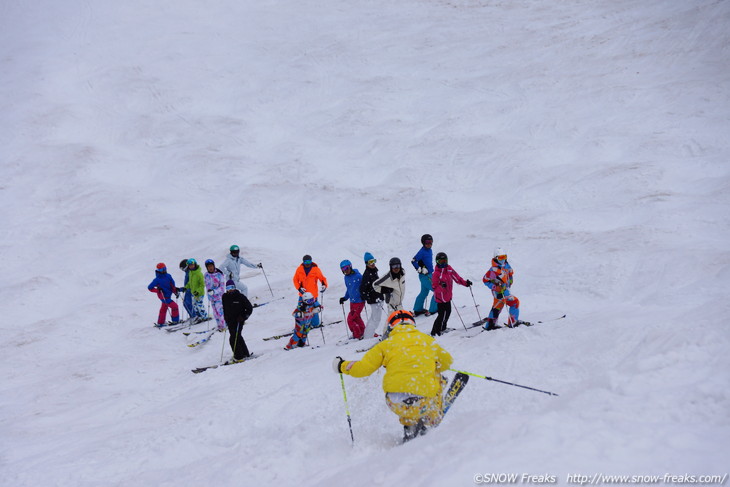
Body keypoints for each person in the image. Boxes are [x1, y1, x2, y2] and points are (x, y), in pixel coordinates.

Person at [333, 310, 453, 442]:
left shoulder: (385, 345)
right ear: (413, 324)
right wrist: (431, 366)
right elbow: (447, 362)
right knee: (437, 377)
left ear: (391, 327)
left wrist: (342, 366)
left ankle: (410, 426)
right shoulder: (427, 340)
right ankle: (432, 416)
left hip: (396, 402)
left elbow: (363, 369)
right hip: (424, 399)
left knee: (408, 407)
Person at [430, 252, 472, 336]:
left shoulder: (449, 269)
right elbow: (434, 287)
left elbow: (457, 278)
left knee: (448, 312)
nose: (443, 263)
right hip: (440, 299)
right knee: (441, 315)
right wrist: (441, 286)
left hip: (448, 297)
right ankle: (435, 331)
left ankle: (443, 328)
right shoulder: (436, 274)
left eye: (445, 261)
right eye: (441, 261)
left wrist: (465, 283)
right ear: (437, 262)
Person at [482, 247, 520, 330]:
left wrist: (510, 279)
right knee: (515, 302)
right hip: (500, 292)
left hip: (505, 290)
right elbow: (485, 280)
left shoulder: (506, 265)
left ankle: (490, 325)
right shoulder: (493, 270)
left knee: (497, 307)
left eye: (504, 257)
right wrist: (495, 287)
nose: (503, 259)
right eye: (501, 257)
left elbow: (510, 273)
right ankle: (513, 322)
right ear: (496, 258)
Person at [292, 254, 328, 328]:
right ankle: (300, 325)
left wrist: (324, 285)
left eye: (309, 261)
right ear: (303, 262)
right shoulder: (299, 269)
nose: (308, 263)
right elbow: (295, 280)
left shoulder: (316, 269)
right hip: (302, 295)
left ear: (311, 261)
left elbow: (322, 279)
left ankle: (315, 324)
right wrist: (299, 288)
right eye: (306, 262)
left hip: (313, 295)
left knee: (314, 310)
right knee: (300, 310)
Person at [221, 280, 254, 362]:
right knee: (237, 336)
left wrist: (243, 317)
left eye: (232, 287)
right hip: (230, 321)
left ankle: (239, 356)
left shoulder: (240, 297)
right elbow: (224, 307)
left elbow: (249, 308)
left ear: (235, 288)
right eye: (228, 288)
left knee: (233, 338)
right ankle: (245, 353)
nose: (230, 290)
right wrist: (225, 316)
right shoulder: (224, 297)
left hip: (239, 320)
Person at [411, 234, 438, 317]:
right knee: (437, 290)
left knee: (424, 292)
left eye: (431, 242)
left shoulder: (429, 250)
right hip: (425, 276)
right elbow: (413, 261)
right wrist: (420, 269)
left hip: (428, 274)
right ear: (423, 242)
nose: (429, 244)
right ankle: (433, 310)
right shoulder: (422, 251)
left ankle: (418, 309)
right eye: (427, 242)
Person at [338, 260, 365, 340]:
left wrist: (364, 295)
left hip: (359, 301)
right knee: (356, 318)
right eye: (343, 269)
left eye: (346, 268)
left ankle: (357, 335)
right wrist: (345, 298)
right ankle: (363, 332)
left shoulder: (358, 276)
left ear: (350, 267)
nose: (345, 270)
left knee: (351, 319)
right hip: (352, 302)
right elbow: (349, 289)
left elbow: (365, 285)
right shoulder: (346, 278)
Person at [359, 252, 385, 338]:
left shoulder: (373, 271)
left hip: (378, 298)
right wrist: (370, 297)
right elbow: (362, 289)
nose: (373, 263)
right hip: (374, 300)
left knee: (374, 318)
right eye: (370, 262)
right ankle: (368, 337)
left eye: (373, 261)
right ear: (366, 263)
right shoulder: (367, 274)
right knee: (376, 319)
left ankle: (368, 335)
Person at [204, 259, 227, 332]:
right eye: (208, 267)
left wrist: (214, 291)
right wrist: (209, 294)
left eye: (211, 266)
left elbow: (222, 288)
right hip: (212, 298)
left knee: (220, 312)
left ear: (214, 266)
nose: (210, 268)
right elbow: (207, 285)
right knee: (215, 313)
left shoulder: (219, 275)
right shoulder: (206, 275)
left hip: (219, 297)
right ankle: (219, 325)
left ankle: (224, 326)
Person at [183, 258, 208, 323]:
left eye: (192, 265)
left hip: (199, 293)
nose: (191, 266)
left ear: (195, 264)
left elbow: (202, 284)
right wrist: (186, 287)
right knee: (194, 305)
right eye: (189, 265)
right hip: (193, 293)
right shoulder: (191, 273)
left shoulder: (199, 273)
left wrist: (198, 291)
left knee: (199, 305)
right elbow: (190, 283)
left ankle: (204, 316)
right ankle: (199, 316)